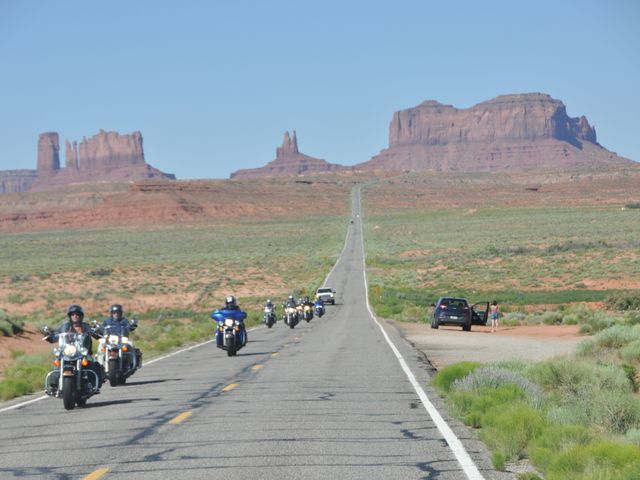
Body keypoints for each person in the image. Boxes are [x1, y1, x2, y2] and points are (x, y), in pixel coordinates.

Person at [44, 304, 103, 390]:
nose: (75, 316)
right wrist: (49, 335)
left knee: (91, 364)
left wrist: (98, 331)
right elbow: (56, 336)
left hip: (83, 353)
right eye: (72, 314)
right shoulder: (65, 326)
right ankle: (54, 384)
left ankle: (92, 384)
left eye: (77, 314)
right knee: (57, 363)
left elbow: (96, 334)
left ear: (81, 316)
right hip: (68, 352)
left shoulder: (86, 326)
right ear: (70, 316)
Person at [100, 304, 142, 368]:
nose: (116, 314)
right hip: (109, 340)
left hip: (121, 339)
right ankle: (100, 364)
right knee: (100, 346)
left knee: (131, 344)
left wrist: (132, 325)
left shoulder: (124, 321)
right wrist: (98, 329)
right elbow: (102, 328)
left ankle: (132, 363)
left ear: (121, 313)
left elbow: (129, 326)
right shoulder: (107, 321)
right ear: (111, 313)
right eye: (114, 313)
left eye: (118, 312)